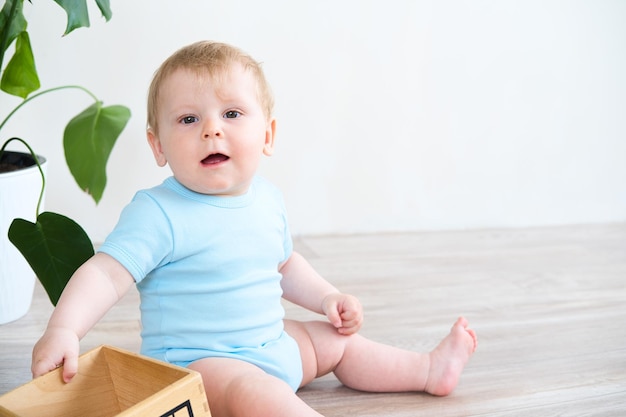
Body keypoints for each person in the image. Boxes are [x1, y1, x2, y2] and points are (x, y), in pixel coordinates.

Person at [31, 41, 477, 417]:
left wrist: (326, 298)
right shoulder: (158, 212)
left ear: (267, 135)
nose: (211, 131)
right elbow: (106, 274)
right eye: (189, 119)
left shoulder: (267, 199)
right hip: (200, 369)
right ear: (158, 145)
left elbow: (284, 264)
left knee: (339, 343)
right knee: (256, 392)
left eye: (232, 114)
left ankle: (427, 370)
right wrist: (65, 330)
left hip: (275, 345)